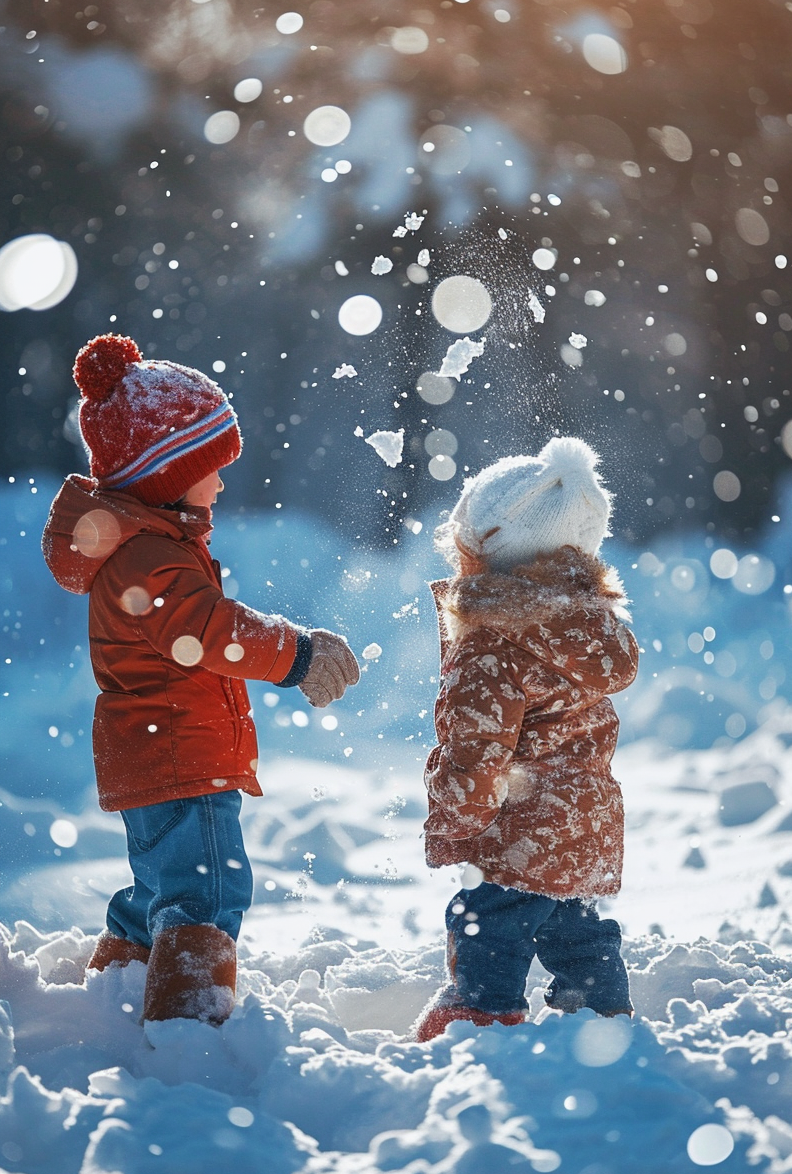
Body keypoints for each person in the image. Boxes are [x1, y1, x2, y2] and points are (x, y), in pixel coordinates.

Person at [42, 333, 359, 1027]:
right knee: (206, 894)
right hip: (181, 757)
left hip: (160, 754)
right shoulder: (150, 556)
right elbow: (207, 632)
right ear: (166, 472)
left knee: (158, 886)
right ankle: (189, 1031)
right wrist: (296, 654)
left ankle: (117, 990)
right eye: (210, 467)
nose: (220, 483)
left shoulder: (147, 545)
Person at [414, 436, 639, 1041]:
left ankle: (480, 1018)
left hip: (519, 828)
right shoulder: (587, 629)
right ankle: (601, 1018)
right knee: (576, 928)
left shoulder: (492, 641)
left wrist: (453, 821)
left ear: (482, 544)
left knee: (487, 921)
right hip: (587, 824)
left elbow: (477, 749)